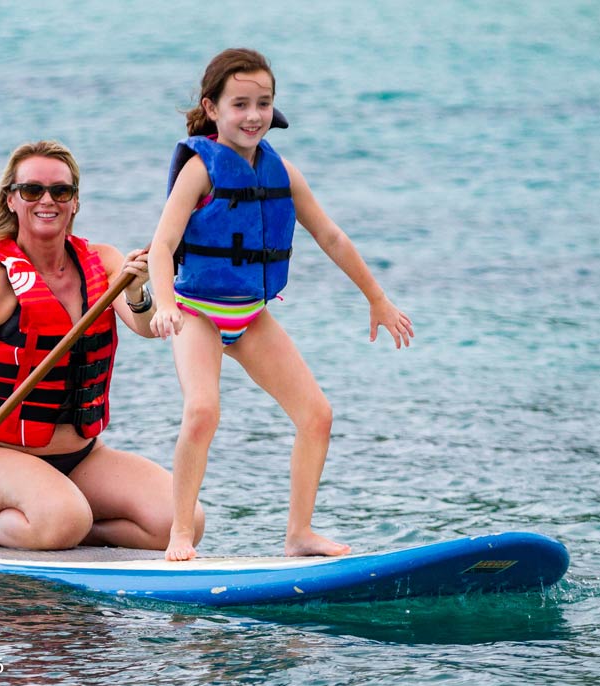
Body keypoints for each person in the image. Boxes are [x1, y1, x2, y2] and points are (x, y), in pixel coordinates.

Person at [148, 48, 413, 562]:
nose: (253, 116)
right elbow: (162, 245)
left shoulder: (282, 171)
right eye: (240, 104)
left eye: (263, 103)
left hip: (250, 316)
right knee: (202, 412)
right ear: (212, 108)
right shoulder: (200, 170)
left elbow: (331, 236)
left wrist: (377, 298)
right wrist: (164, 303)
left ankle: (299, 533)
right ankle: (180, 532)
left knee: (317, 415)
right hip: (197, 312)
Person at [0, 140, 203, 551]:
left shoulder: (104, 262)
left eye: (60, 191)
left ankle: (72, 527)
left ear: (75, 202)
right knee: (63, 518)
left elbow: (145, 327)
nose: (47, 200)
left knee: (183, 519)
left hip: (83, 456)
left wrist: (137, 289)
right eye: (32, 190)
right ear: (12, 200)